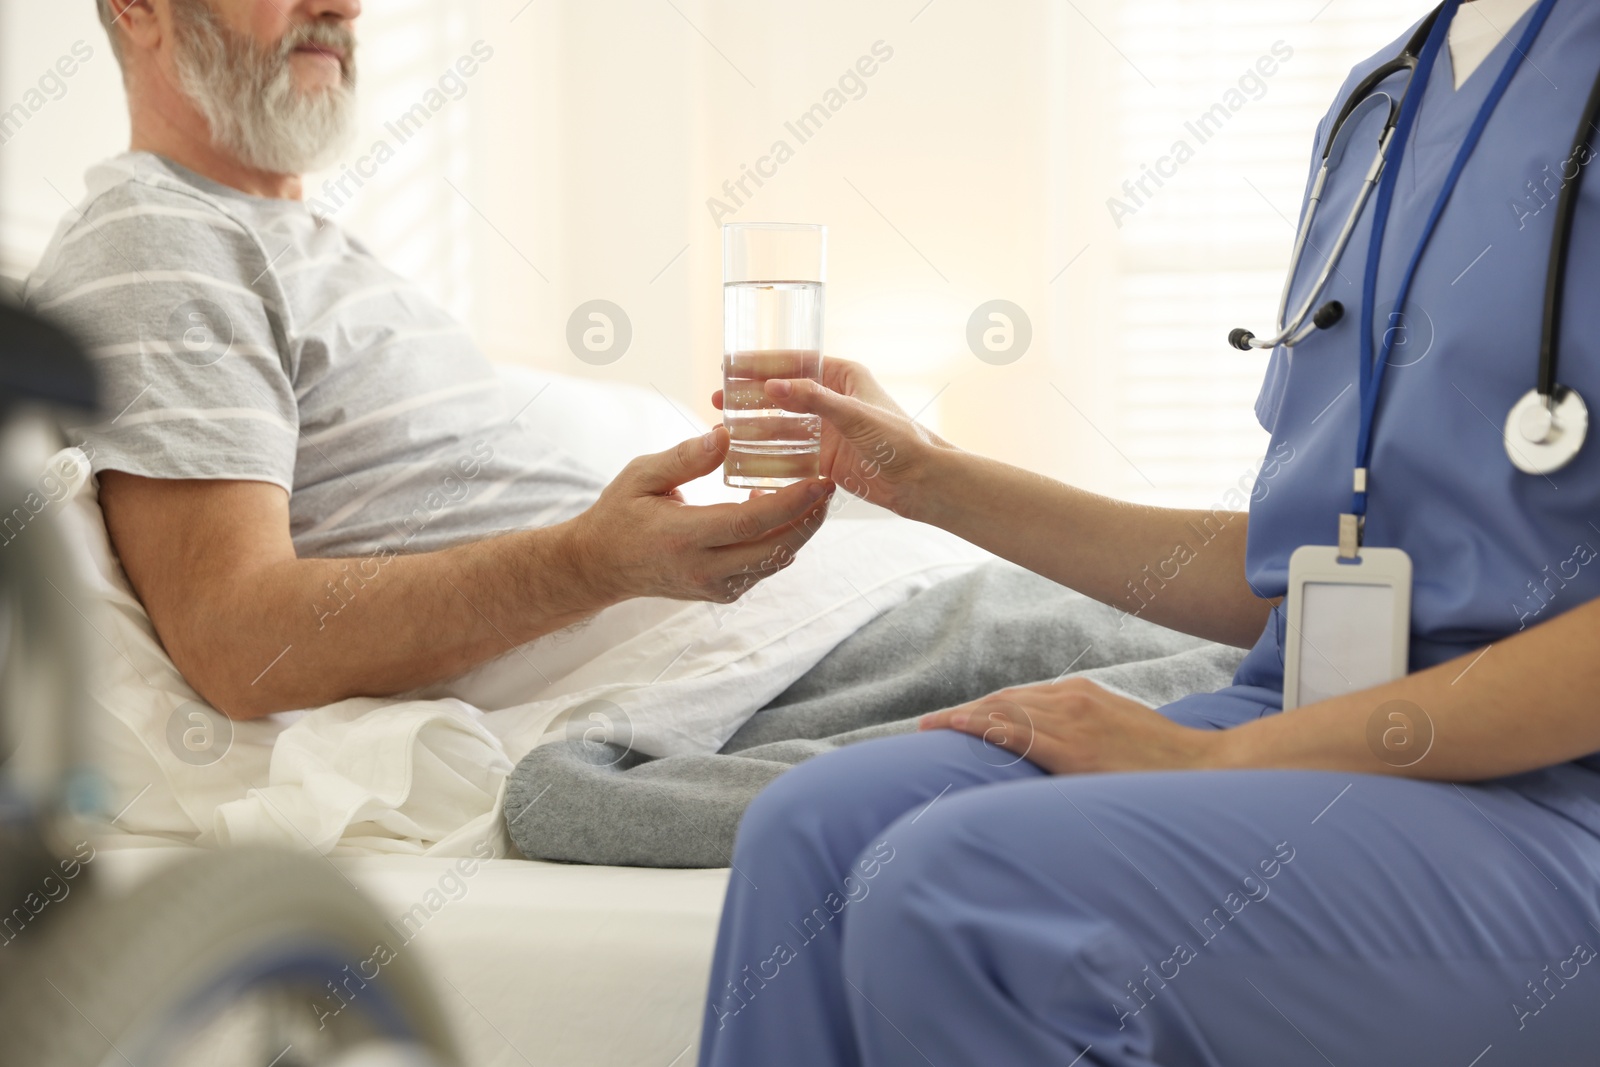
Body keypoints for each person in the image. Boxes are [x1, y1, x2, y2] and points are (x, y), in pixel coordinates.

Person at [696, 1, 1600, 1063]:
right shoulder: (1382, 104)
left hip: (1547, 793)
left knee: (967, 889)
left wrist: (1219, 762)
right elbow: (1302, 570)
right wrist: (925, 477)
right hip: (1309, 730)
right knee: (808, 831)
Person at [30, 0, 834, 721]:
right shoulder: (152, 232)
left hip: (778, 642)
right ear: (136, 8)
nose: (343, 7)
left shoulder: (313, 247)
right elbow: (238, 641)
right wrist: (592, 562)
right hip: (727, 681)